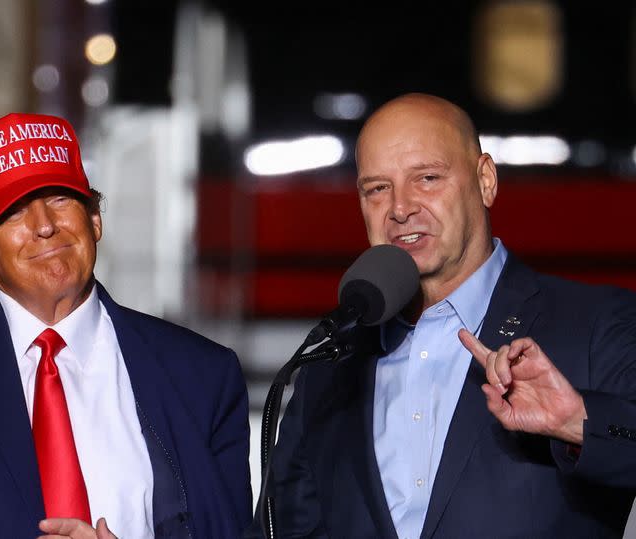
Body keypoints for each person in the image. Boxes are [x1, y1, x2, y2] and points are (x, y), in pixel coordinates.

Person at [0, 113, 251, 539]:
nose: (44, 226)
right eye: (14, 212)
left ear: (94, 220)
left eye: (59, 199)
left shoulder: (201, 376)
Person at [252, 93, 636, 538]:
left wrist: (577, 423)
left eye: (427, 178)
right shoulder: (329, 368)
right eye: (377, 188)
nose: (400, 208)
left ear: (486, 181)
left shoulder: (595, 323)